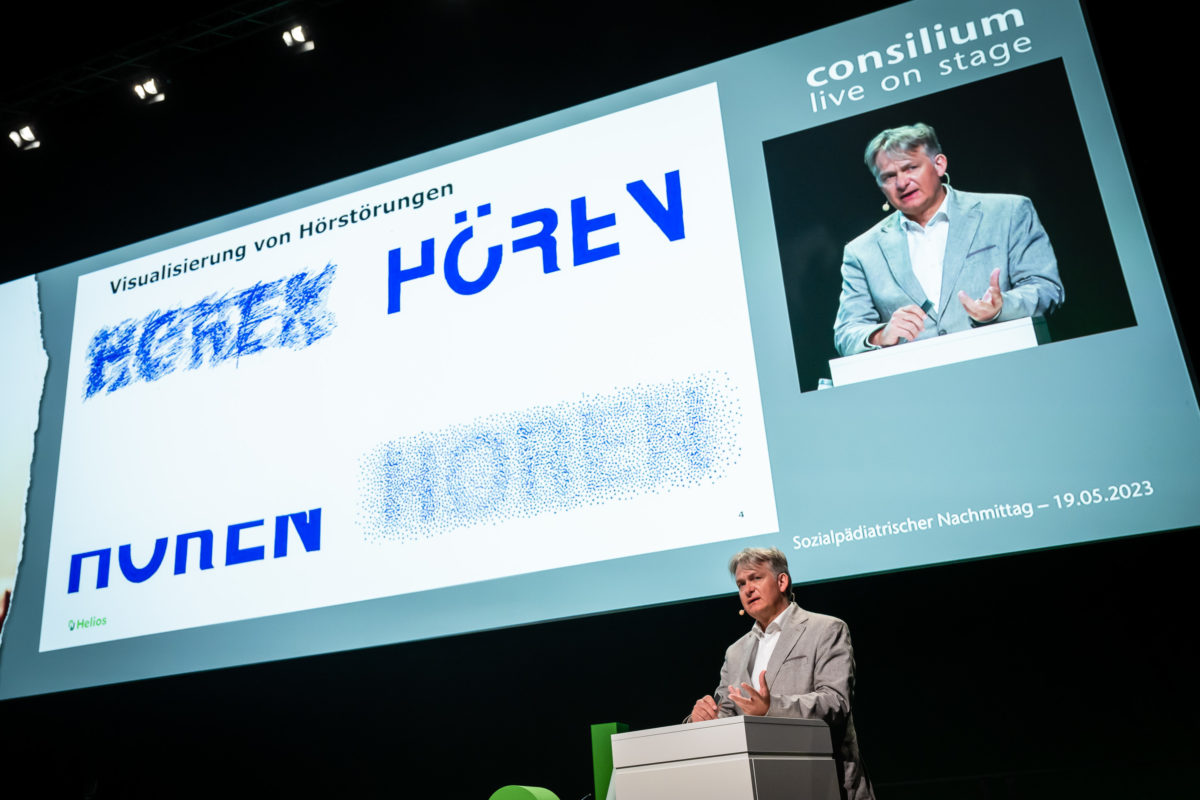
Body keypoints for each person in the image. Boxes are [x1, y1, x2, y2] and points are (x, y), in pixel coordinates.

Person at [833, 122, 1064, 357]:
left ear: (939, 164)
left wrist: (1000, 307)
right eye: (889, 176)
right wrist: (881, 335)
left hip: (1008, 362)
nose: (902, 183)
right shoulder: (862, 251)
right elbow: (846, 332)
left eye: (911, 168)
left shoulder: (1008, 212)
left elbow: (1047, 289)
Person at [689, 547, 874, 800]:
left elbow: (835, 702)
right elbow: (728, 711)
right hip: (759, 784)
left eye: (755, 578)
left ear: (782, 581)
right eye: (741, 583)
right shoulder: (735, 651)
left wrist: (770, 708)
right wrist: (704, 718)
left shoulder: (826, 629)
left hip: (823, 781)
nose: (747, 589)